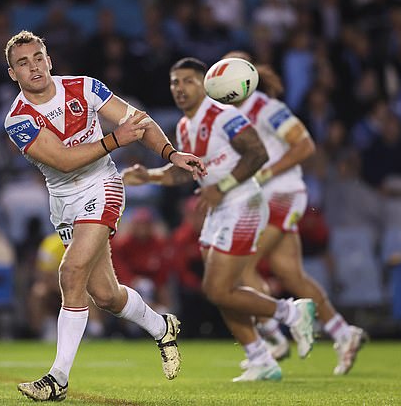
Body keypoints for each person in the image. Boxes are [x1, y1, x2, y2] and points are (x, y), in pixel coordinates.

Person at [3, 30, 206, 401]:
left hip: (103, 186)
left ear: (49, 60)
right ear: (13, 73)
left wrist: (171, 154)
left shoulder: (85, 88)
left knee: (70, 272)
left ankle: (57, 379)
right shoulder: (17, 119)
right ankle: (163, 326)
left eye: (37, 57)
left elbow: (137, 122)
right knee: (105, 295)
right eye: (22, 62)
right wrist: (116, 139)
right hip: (63, 201)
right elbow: (63, 162)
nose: (32, 66)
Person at [122, 57, 316, 382]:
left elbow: (258, 154)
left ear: (205, 83)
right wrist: (151, 176)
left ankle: (292, 312)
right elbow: (186, 174)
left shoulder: (223, 115)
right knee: (221, 288)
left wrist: (222, 187)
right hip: (220, 207)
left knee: (218, 289)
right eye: (174, 82)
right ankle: (261, 358)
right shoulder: (185, 126)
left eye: (188, 81)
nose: (180, 88)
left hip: (244, 204)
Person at [223, 51, 366, 375]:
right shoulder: (226, 112)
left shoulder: (266, 108)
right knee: (289, 274)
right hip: (261, 198)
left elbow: (304, 146)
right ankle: (344, 333)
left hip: (282, 193)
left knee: (238, 265)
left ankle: (273, 337)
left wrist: (266, 172)